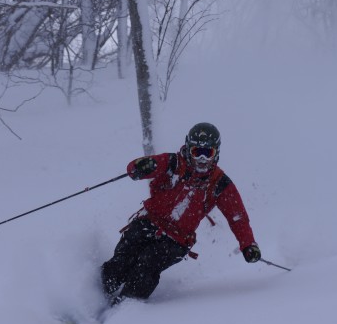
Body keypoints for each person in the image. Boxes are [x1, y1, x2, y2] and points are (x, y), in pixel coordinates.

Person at [100, 122, 261, 306]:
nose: (201, 159)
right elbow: (142, 167)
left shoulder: (219, 184)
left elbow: (238, 217)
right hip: (148, 222)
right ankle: (93, 295)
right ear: (187, 148)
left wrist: (248, 245)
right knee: (122, 260)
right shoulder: (174, 163)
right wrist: (140, 167)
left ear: (216, 153)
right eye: (196, 152)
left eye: (207, 153)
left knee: (148, 264)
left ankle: (124, 307)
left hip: (177, 240)